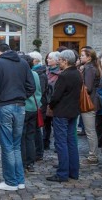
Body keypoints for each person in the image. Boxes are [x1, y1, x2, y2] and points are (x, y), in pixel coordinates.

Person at [0, 43, 35, 191]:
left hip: (5, 106)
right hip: (20, 106)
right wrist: (21, 97)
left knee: (8, 145)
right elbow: (31, 87)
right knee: (16, 145)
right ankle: (19, 180)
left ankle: (10, 181)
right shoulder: (23, 63)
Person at [46, 50, 81, 182]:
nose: (58, 61)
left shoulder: (64, 75)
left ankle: (62, 173)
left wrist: (51, 104)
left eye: (60, 59)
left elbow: (56, 96)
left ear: (65, 61)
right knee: (71, 142)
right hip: (73, 111)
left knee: (61, 143)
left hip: (62, 112)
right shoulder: (77, 73)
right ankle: (73, 171)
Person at [19, 55, 41, 173]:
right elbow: (39, 90)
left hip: (25, 107)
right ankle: (30, 162)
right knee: (30, 136)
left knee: (22, 136)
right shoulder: (36, 74)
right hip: (34, 107)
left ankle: (23, 161)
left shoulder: (23, 75)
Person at [79, 48, 102, 165]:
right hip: (91, 101)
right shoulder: (89, 67)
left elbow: (87, 88)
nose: (80, 57)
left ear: (89, 57)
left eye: (82, 55)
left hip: (89, 102)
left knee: (90, 130)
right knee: (90, 130)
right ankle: (93, 155)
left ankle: (93, 156)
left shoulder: (89, 69)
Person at [29, 51, 47, 160]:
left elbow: (40, 90)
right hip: (37, 103)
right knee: (36, 129)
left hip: (38, 104)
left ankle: (39, 152)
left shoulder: (38, 73)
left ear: (35, 60)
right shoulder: (37, 71)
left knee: (36, 130)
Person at [43, 51, 61, 150]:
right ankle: (45, 143)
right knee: (46, 124)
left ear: (57, 61)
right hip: (46, 101)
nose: (47, 60)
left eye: (50, 58)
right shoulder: (46, 71)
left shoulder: (60, 73)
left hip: (55, 102)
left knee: (56, 125)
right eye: (48, 58)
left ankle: (57, 145)